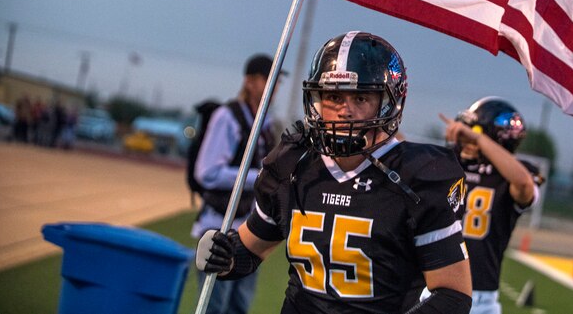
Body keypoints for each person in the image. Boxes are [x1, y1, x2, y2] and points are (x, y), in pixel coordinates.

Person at [196, 31, 473, 313]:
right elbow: (251, 250)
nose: (344, 111)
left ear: (390, 102)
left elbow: (453, 295)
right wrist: (224, 256)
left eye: (361, 98)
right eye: (333, 96)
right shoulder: (295, 167)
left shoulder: (415, 176)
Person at [190, 53, 282, 314]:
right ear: (250, 81)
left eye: (276, 81)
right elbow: (206, 172)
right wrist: (260, 178)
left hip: (249, 231)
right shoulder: (227, 117)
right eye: (268, 79)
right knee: (213, 307)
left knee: (238, 308)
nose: (274, 86)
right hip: (218, 226)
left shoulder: (264, 123)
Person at [439, 97, 543, 314]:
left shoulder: (515, 174)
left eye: (472, 132)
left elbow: (523, 184)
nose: (464, 140)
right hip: (433, 286)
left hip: (480, 297)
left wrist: (479, 140)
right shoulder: (450, 162)